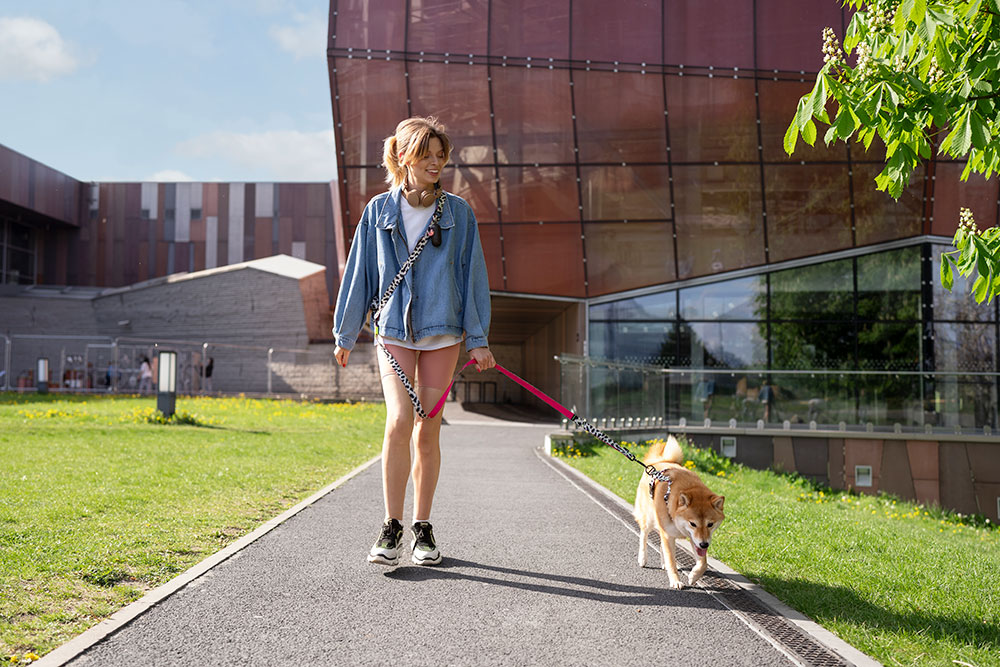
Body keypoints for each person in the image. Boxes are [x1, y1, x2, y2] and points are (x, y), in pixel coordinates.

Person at [333, 117, 495, 567]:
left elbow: (473, 276)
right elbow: (360, 274)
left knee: (428, 427)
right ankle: (391, 526)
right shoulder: (377, 211)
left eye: (441, 156)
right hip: (393, 332)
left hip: (444, 333)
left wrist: (478, 339)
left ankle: (422, 529)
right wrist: (345, 333)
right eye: (427, 154)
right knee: (400, 420)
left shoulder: (458, 213)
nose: (436, 163)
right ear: (403, 156)